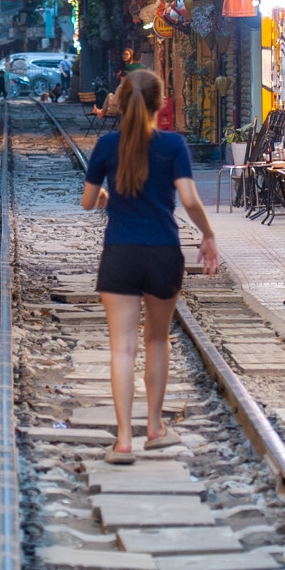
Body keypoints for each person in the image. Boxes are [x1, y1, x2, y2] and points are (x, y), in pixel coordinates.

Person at [83, 71, 221, 463]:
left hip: (120, 253)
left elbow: (88, 201)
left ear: (119, 103)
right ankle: (156, 427)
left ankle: (124, 440)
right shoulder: (174, 145)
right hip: (163, 251)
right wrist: (208, 235)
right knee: (157, 341)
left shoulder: (107, 145)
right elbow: (190, 199)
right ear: (161, 104)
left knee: (122, 348)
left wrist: (112, 198)